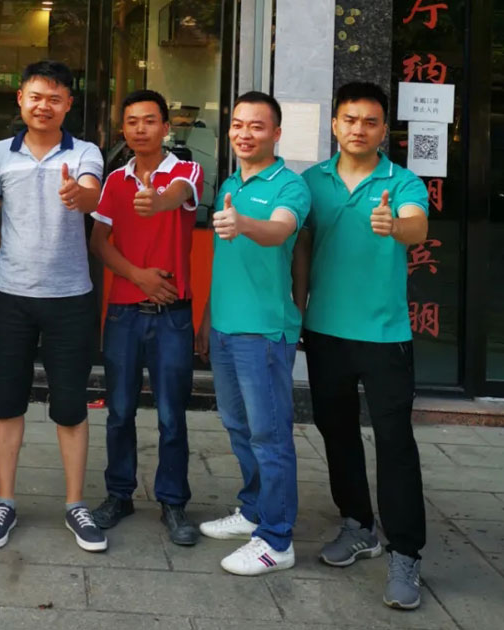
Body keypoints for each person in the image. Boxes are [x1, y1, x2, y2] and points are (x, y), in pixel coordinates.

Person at [293, 81, 429, 609]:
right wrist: (298, 309)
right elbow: (303, 247)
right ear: (335, 124)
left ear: (383, 130)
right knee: (337, 432)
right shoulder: (313, 182)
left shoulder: (402, 181)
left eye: (370, 122)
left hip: (384, 334)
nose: (358, 129)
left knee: (395, 442)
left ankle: (406, 553)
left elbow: (417, 226)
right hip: (326, 329)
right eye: (350, 119)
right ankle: (357, 524)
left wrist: (395, 225)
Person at [0, 60, 107, 553]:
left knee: (70, 404)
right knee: (6, 401)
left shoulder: (86, 152)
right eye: (35, 96)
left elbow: (91, 196)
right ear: (21, 100)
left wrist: (78, 194)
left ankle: (75, 504)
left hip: (70, 298)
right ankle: (4, 500)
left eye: (54, 98)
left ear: (68, 104)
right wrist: (7, 259)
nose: (43, 106)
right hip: (11, 297)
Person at [194, 91, 310, 576]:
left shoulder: (290, 186)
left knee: (270, 435)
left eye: (257, 126)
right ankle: (254, 510)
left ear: (276, 133)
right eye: (238, 124)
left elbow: (280, 230)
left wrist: (243, 223)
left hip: (262, 333)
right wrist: (207, 319)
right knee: (239, 426)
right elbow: (226, 263)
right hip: (224, 328)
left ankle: (277, 539)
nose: (245, 134)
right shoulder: (229, 182)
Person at [88, 89, 204, 545]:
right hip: (123, 313)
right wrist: (138, 276)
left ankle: (173, 502)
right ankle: (119, 494)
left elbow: (178, 196)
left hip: (172, 316)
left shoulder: (185, 170)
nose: (140, 129)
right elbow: (99, 243)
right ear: (124, 128)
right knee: (119, 411)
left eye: (150, 120)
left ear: (165, 127)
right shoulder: (114, 181)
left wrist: (156, 200)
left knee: (172, 414)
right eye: (132, 121)